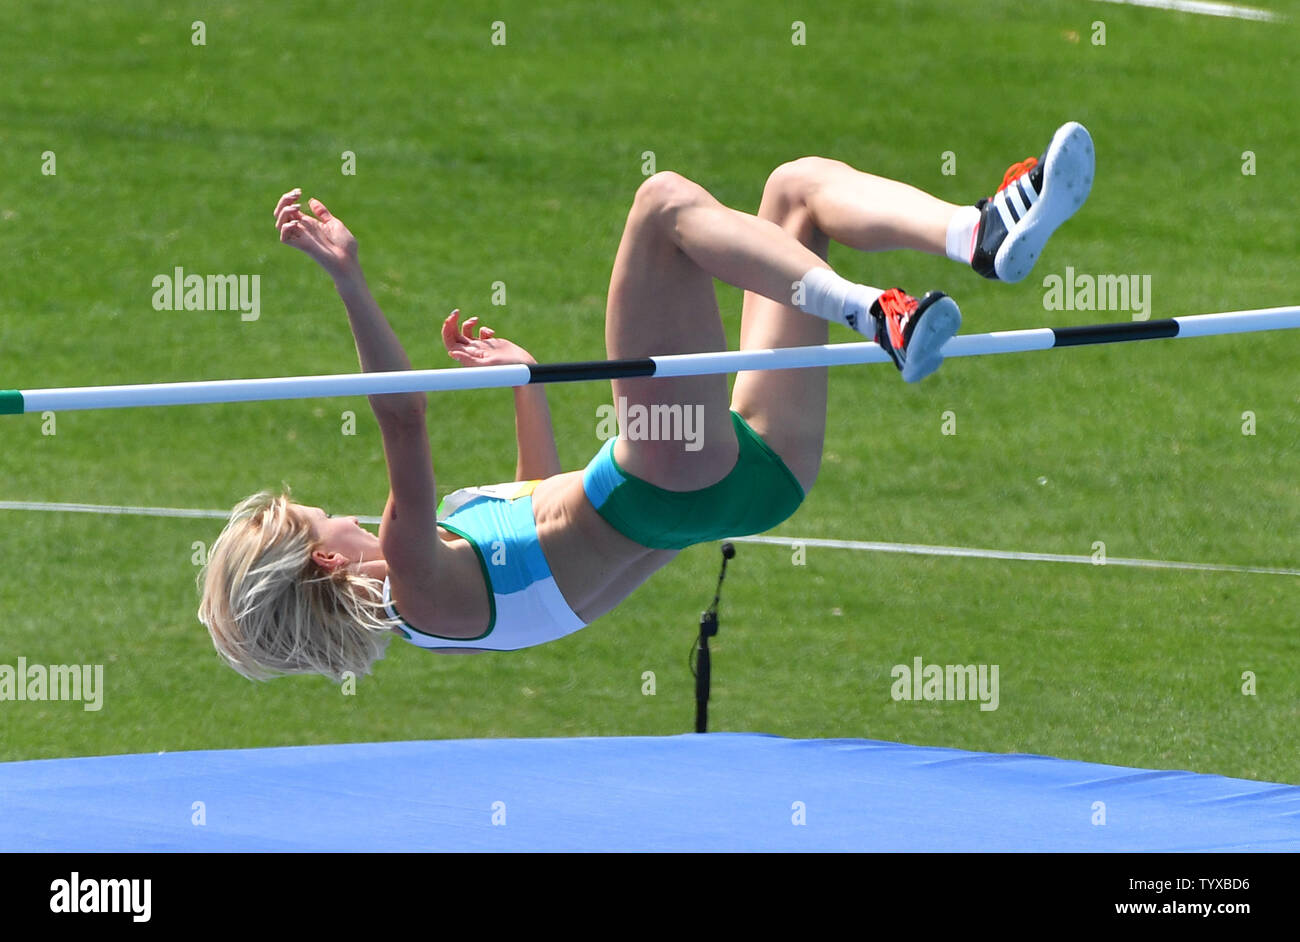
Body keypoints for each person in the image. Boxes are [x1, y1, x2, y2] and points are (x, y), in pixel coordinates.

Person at [197, 122, 1094, 679]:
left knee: (795, 193)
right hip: (664, 475)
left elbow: (537, 514)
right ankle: (879, 317)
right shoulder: (412, 581)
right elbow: (402, 410)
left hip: (752, 473)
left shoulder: (445, 599)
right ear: (322, 563)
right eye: (320, 518)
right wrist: (348, 279)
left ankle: (975, 232)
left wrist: (523, 385)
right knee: (662, 207)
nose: (338, 511)